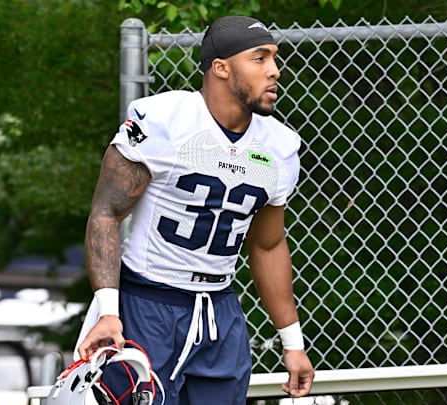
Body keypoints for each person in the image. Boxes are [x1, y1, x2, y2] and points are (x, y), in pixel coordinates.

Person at [75, 15, 315, 404]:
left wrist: (293, 343)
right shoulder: (164, 121)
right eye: (260, 58)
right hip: (147, 301)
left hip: (220, 309)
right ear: (220, 67)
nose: (275, 71)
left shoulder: (280, 146)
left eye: (274, 58)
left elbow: (268, 246)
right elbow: (106, 214)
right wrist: (108, 310)